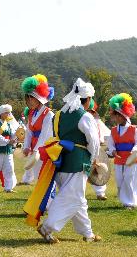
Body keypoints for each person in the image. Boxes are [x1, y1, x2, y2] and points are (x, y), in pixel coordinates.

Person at [26, 78, 101, 243]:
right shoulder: (85, 117)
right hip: (78, 162)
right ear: (87, 99)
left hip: (60, 161)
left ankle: (88, 234)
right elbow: (94, 142)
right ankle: (47, 227)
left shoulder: (58, 115)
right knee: (71, 198)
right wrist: (93, 160)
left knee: (78, 199)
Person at [19, 74, 54, 185]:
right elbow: (29, 131)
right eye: (28, 97)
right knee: (37, 174)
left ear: (38, 98)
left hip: (44, 148)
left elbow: (44, 134)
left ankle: (47, 198)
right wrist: (26, 147)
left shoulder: (48, 114)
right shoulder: (31, 113)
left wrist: (36, 150)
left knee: (43, 175)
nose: (29, 100)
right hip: (35, 147)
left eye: (31, 97)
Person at [107, 93, 137, 209]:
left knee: (129, 179)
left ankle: (130, 203)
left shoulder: (133, 129)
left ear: (122, 115)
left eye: (115, 115)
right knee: (120, 180)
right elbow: (110, 144)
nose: (114, 118)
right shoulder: (113, 130)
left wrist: (134, 150)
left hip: (132, 159)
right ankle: (125, 200)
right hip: (119, 159)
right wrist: (112, 151)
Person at [87, 99, 110, 200]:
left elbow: (99, 137)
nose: (91, 113)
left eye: (92, 111)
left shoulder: (96, 122)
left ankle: (100, 193)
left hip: (95, 149)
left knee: (97, 170)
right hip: (83, 148)